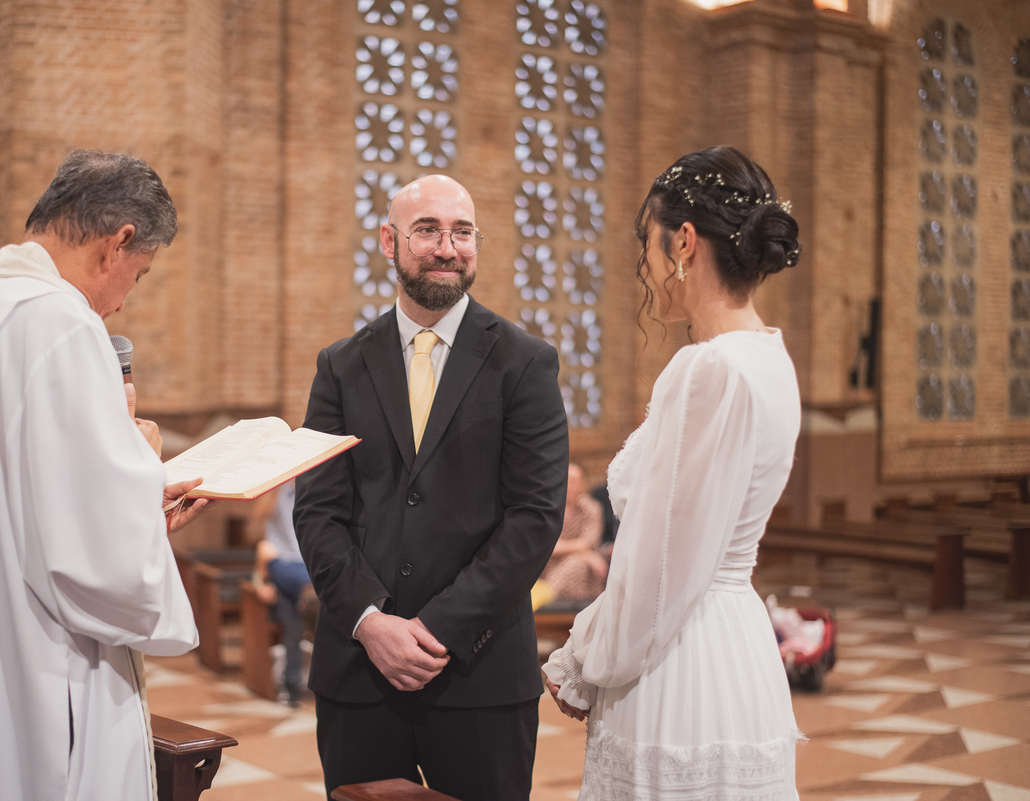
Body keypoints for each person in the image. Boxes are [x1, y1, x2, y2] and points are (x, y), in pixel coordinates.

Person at [0, 150, 212, 801]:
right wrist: (141, 470)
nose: (122, 304)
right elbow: (99, 568)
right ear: (119, 243)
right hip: (27, 685)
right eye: (138, 276)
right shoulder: (60, 324)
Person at [294, 174, 570, 800]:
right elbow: (318, 513)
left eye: (462, 232)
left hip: (479, 673)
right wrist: (371, 621)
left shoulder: (525, 362)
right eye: (427, 231)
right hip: (360, 674)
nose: (448, 247)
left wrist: (437, 629)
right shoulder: (340, 365)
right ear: (389, 241)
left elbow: (534, 516)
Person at [543, 146, 804, 799]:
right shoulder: (769, 359)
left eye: (648, 246)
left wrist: (580, 662)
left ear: (684, 242)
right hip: (739, 651)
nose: (644, 267)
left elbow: (659, 570)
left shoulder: (707, 369)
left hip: (679, 665)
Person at [251, 479, 315, 706]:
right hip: (286, 566)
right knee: (299, 620)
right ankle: (313, 601)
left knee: (293, 630)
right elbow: (263, 545)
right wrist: (260, 582)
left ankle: (290, 689)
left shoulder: (314, 491)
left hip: (303, 571)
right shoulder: (278, 492)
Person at [539, 462, 608, 602]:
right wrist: (586, 555)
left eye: (576, 480)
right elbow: (543, 546)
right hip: (549, 565)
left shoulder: (592, 508)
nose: (572, 485)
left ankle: (546, 594)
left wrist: (578, 553)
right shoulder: (548, 509)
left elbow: (588, 543)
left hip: (583, 571)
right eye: (569, 480)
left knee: (577, 563)